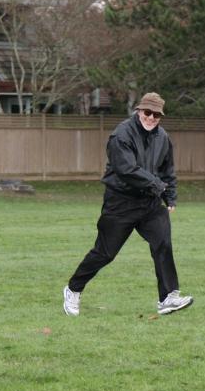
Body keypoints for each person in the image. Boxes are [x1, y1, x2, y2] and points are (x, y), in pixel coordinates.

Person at [63, 92, 193, 316]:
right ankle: (73, 289)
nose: (151, 118)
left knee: (162, 243)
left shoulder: (163, 137)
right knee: (105, 253)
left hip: (150, 203)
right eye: (147, 112)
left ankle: (168, 298)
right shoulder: (121, 135)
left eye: (156, 115)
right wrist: (157, 185)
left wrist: (170, 196)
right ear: (139, 111)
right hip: (120, 202)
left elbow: (167, 170)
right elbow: (127, 170)